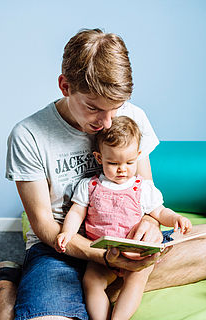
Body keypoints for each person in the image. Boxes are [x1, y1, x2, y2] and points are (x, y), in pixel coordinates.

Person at [0, 28, 206, 320]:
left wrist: (149, 226)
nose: (106, 123)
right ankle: (8, 287)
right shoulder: (28, 135)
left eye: (115, 109)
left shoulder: (133, 117)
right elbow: (43, 226)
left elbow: (144, 190)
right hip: (62, 250)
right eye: (93, 108)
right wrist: (99, 255)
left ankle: (77, 294)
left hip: (125, 241)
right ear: (65, 86)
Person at [55, 115, 192, 320]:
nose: (122, 169)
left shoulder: (142, 187)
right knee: (91, 282)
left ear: (138, 155)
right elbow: (76, 212)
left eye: (129, 162)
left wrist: (175, 219)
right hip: (102, 252)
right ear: (99, 158)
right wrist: (67, 232)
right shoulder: (89, 186)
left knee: (136, 280)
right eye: (113, 162)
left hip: (136, 252)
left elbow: (159, 212)